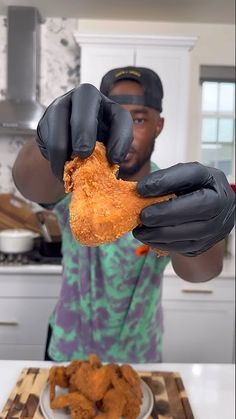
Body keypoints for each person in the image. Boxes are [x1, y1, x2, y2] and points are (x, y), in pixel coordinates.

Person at [12, 66, 235, 363]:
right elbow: (31, 184)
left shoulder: (171, 192)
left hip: (139, 356)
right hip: (68, 349)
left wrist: (210, 232)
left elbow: (201, 273)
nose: (127, 131)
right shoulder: (79, 176)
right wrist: (49, 144)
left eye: (140, 119)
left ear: (159, 125)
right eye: (114, 118)